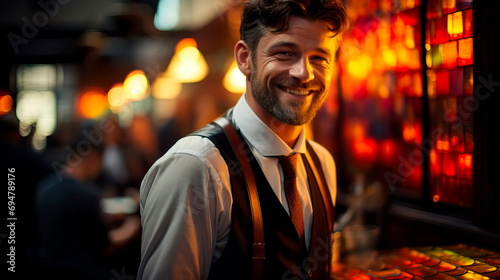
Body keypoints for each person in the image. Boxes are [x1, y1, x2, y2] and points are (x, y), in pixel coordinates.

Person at [138, 0, 349, 279]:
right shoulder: (195, 167)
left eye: (319, 58)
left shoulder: (322, 162)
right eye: (285, 52)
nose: (304, 73)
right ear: (244, 58)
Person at [35, 125, 141, 280]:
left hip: (47, 271)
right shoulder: (87, 193)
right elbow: (105, 247)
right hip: (81, 273)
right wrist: (129, 229)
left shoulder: (43, 187)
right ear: (92, 159)